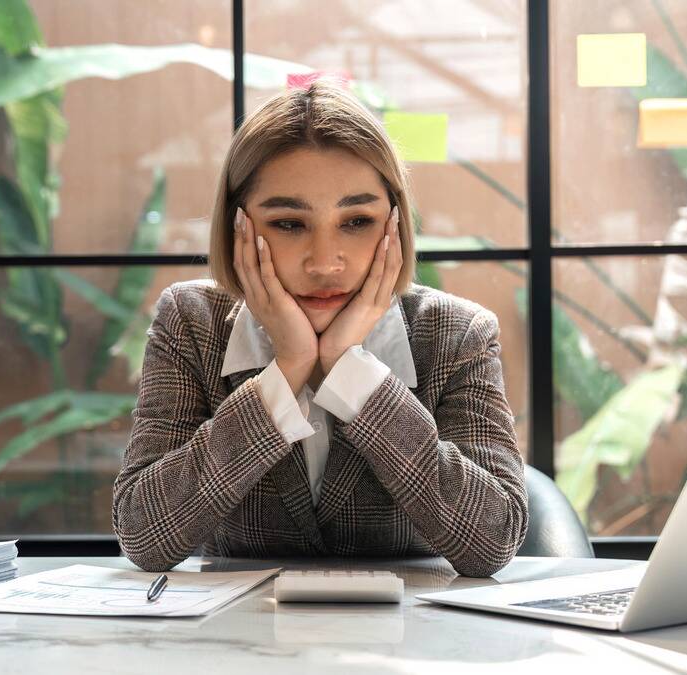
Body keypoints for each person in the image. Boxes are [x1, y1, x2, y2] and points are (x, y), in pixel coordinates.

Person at [112, 79, 528, 576]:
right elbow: (143, 533)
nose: (326, 263)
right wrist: (286, 371)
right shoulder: (192, 321)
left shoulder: (457, 333)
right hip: (239, 643)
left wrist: (351, 373)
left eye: (356, 221)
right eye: (289, 224)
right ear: (237, 226)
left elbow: (492, 541)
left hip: (408, 642)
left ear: (394, 225)